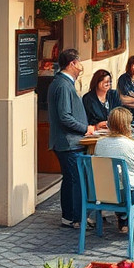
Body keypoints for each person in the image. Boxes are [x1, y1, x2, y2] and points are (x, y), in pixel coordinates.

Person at [48, 49, 98, 228]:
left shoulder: (62, 83)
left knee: (71, 179)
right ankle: (74, 217)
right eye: (79, 63)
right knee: (75, 180)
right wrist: (86, 128)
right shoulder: (63, 85)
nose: (81, 67)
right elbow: (65, 116)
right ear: (72, 64)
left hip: (69, 142)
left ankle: (71, 216)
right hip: (68, 142)